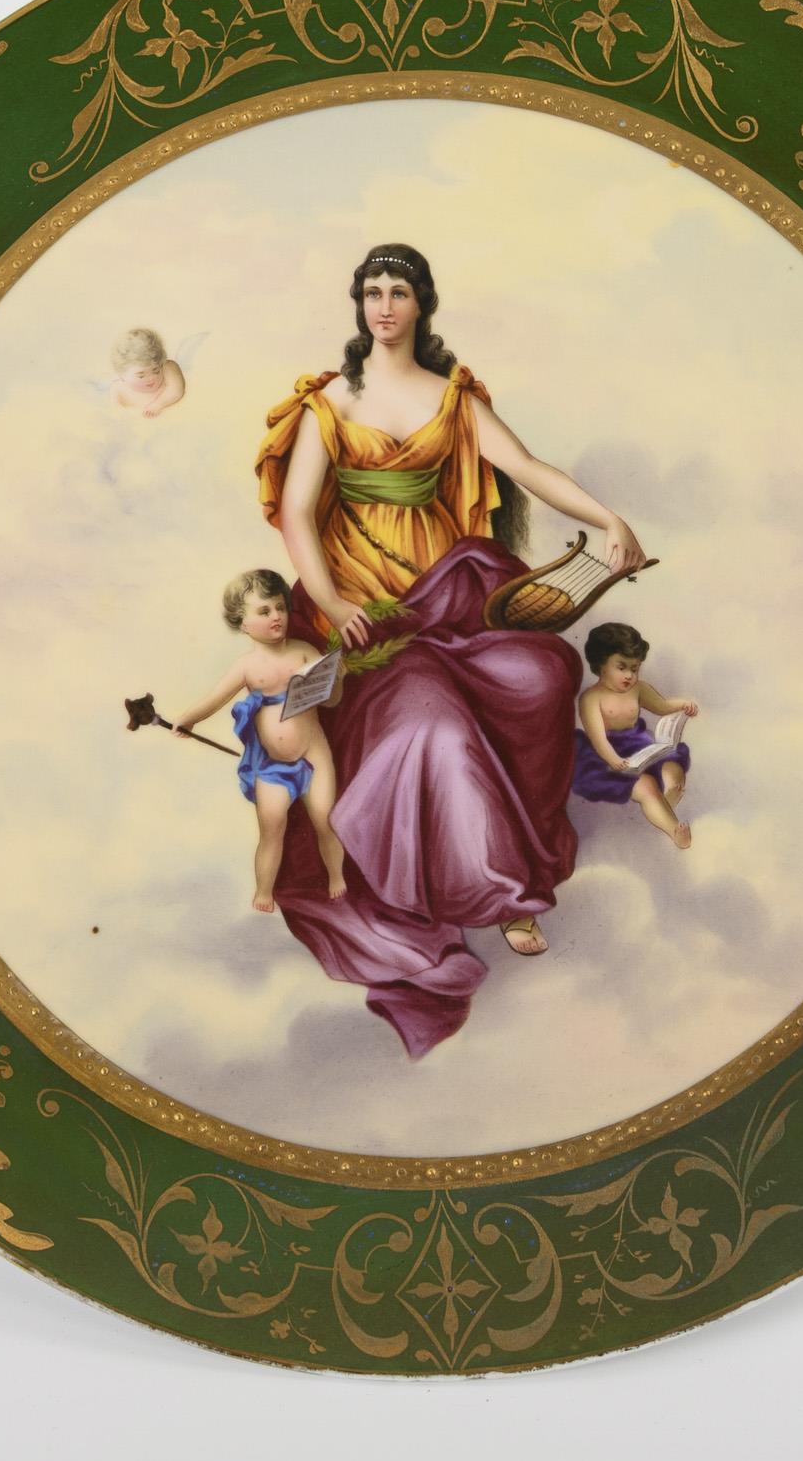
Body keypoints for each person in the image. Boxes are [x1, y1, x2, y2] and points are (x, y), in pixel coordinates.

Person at [252, 242, 649, 1054]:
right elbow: (295, 516)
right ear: (359, 303)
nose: (384, 306)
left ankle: (506, 860)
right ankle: (498, 894)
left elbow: (527, 466)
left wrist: (609, 520)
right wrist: (335, 602)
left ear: (421, 303)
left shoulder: (452, 398)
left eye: (399, 292)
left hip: (451, 598)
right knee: (430, 723)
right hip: (364, 611)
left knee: (541, 673)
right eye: (372, 291)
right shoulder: (328, 403)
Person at [169, 569, 349, 909]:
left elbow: (331, 702)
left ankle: (336, 876)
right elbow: (215, 698)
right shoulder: (247, 666)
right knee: (272, 829)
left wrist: (336, 680)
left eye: (280, 607)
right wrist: (188, 719)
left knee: (326, 820)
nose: (276, 616)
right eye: (264, 611)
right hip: (271, 764)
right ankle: (264, 890)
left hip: (314, 752)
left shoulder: (304, 651)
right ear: (243, 623)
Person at [572, 621, 700, 850]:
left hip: (639, 744)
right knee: (647, 786)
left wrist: (683, 705)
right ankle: (674, 830)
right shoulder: (591, 698)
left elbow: (662, 706)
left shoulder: (638, 688)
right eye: (621, 667)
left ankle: (666, 801)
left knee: (673, 769)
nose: (629, 675)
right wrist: (613, 760)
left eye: (635, 668)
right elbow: (598, 738)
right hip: (607, 754)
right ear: (601, 664)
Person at [106, 327, 187, 417]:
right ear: (122, 375)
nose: (151, 378)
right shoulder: (118, 390)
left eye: (156, 371)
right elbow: (116, 416)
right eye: (141, 376)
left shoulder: (168, 368)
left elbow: (177, 391)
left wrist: (158, 405)